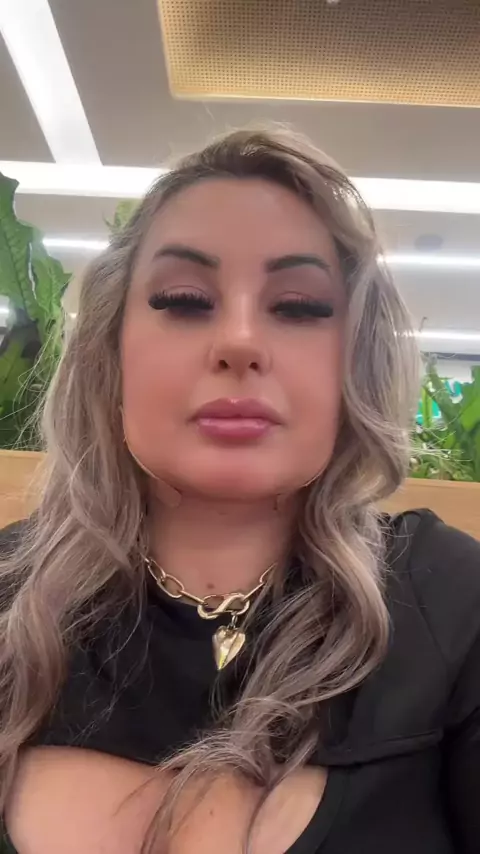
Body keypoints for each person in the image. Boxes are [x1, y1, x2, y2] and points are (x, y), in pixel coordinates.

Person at [0, 128, 479, 854]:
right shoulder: (12, 599)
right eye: (185, 299)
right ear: (111, 351)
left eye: (300, 307)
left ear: (353, 365)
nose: (241, 342)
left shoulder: (450, 604)